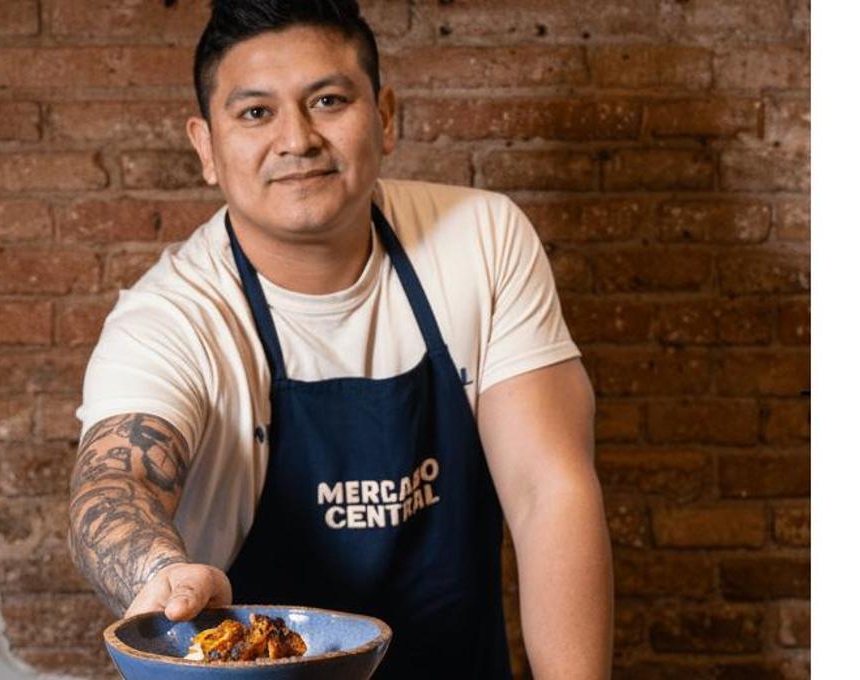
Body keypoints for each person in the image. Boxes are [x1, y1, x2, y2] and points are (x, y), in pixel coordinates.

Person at [67, 1, 613, 677]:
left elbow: (547, 491)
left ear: (383, 116)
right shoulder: (172, 318)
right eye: (256, 113)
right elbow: (113, 486)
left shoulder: (482, 240)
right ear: (206, 147)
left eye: (327, 100)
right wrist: (164, 573)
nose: (297, 139)